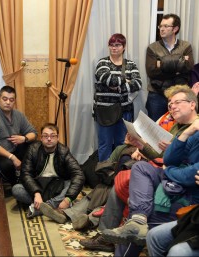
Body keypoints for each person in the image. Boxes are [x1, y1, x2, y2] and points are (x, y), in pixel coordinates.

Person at [101, 89, 199, 255]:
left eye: (177, 102)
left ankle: (133, 222)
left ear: (192, 104)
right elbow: (168, 158)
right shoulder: (184, 128)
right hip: (168, 176)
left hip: (186, 193)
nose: (172, 107)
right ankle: (136, 219)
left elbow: (190, 173)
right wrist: (186, 134)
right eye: (170, 104)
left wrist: (169, 171)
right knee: (138, 168)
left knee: (136, 210)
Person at [12, 123, 84, 219]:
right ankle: (53, 206)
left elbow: (78, 174)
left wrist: (67, 199)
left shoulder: (64, 151)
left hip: (56, 188)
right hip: (38, 187)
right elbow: (25, 174)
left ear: (58, 138)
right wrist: (36, 193)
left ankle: (41, 208)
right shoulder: (33, 149)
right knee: (17, 189)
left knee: (71, 183)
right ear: (41, 138)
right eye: (45, 136)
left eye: (52, 136)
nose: (49, 139)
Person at [94, 33, 142, 161]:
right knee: (105, 144)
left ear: (124, 47)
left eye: (118, 45)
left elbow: (137, 84)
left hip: (125, 111)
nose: (114, 48)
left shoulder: (131, 64)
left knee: (123, 144)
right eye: (111, 45)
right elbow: (107, 79)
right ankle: (104, 173)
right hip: (105, 111)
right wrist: (125, 80)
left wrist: (118, 86)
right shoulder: (102, 63)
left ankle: (120, 173)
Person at [145, 13, 194, 121]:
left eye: (166, 26)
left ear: (175, 29)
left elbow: (188, 67)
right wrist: (178, 65)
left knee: (178, 128)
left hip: (180, 95)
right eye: (160, 26)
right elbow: (151, 72)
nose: (162, 29)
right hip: (157, 95)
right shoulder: (152, 48)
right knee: (155, 128)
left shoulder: (186, 46)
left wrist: (161, 64)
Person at [0, 85, 37, 185]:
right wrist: (13, 158)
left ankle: (30, 178)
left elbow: (34, 133)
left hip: (15, 148)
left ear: (14, 101)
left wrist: (24, 138)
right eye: (4, 99)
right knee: (7, 165)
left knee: (36, 146)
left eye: (11, 100)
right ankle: (16, 185)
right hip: (0, 155)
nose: (8, 102)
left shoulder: (18, 115)